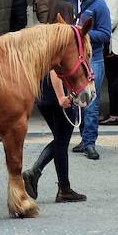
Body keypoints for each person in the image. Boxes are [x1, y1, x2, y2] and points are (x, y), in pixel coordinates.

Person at [58, 0, 111, 160]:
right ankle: (83, 139)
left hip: (92, 59)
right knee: (74, 100)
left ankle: (90, 143)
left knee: (91, 102)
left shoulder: (100, 6)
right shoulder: (66, 2)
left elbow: (105, 35)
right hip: (71, 61)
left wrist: (80, 33)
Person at [22, 70, 87, 204]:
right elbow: (55, 69)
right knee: (62, 141)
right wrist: (61, 96)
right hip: (57, 95)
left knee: (60, 139)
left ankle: (40, 175)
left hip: (42, 94)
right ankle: (62, 188)